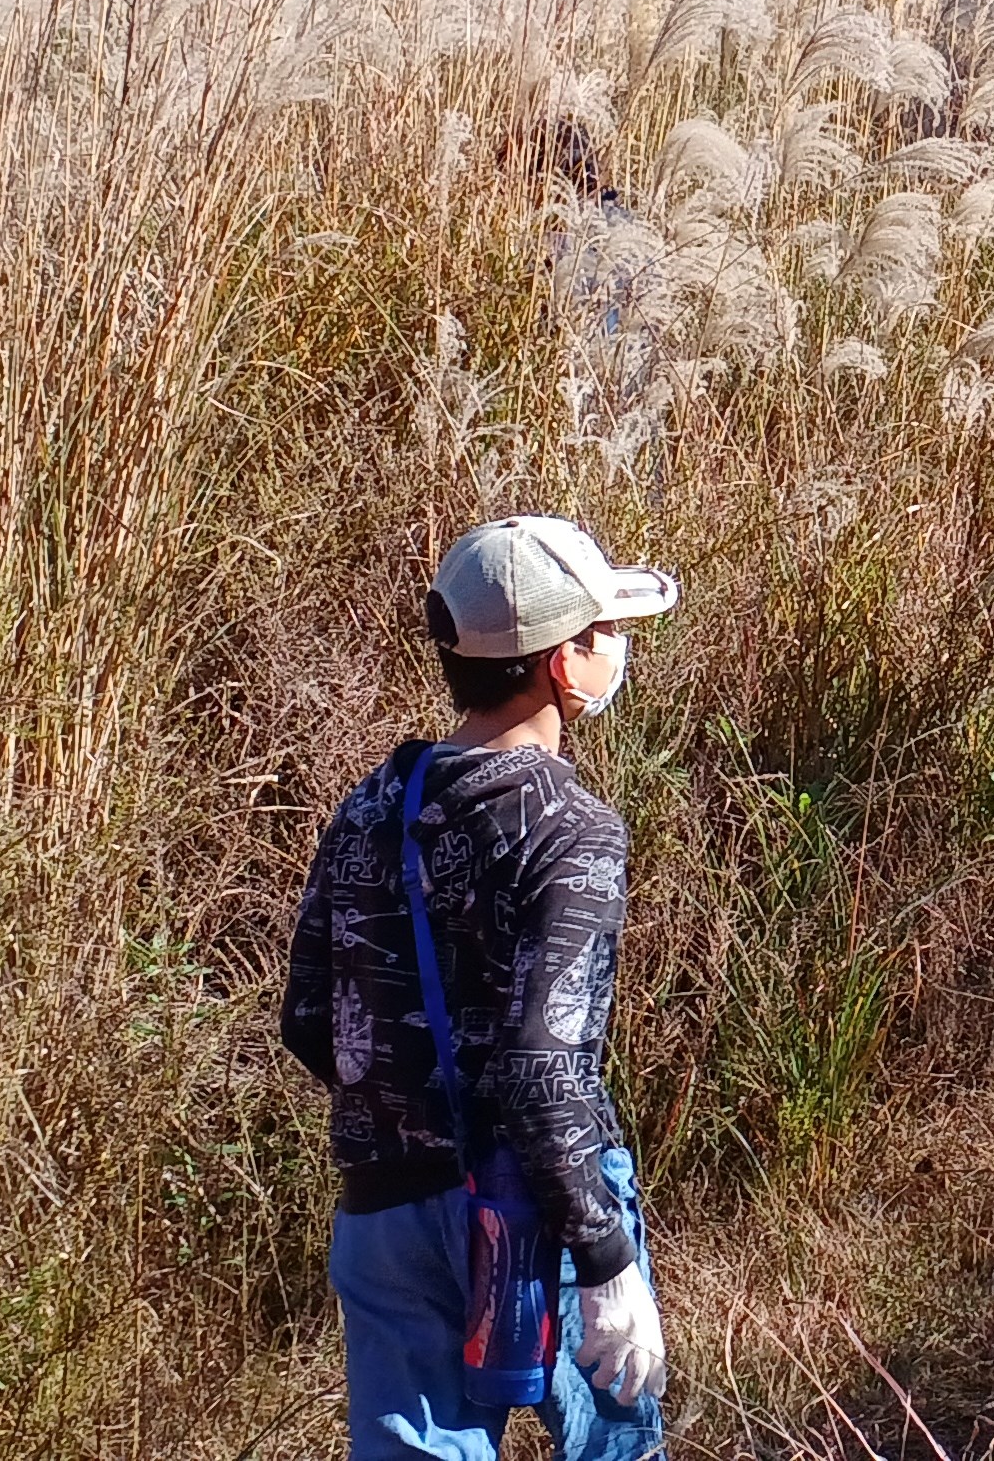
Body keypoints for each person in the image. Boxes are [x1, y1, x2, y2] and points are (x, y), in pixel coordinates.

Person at [284, 515, 679, 1461]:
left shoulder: (375, 802)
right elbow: (543, 1075)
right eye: (605, 632)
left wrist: (406, 1119)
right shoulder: (571, 830)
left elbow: (307, 1018)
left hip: (384, 1209)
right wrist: (607, 1260)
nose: (617, 650)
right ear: (561, 661)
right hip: (535, 1203)